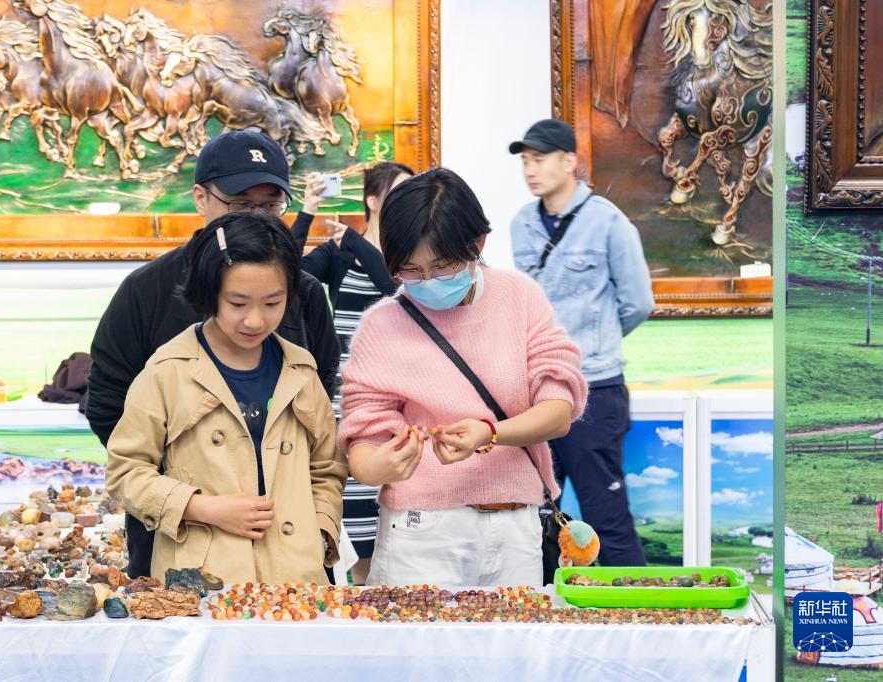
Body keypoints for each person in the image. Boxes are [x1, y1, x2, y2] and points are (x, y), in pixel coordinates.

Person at [87, 129, 341, 578]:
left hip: (292, 564)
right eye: (241, 204)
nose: (255, 321)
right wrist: (193, 489)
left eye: (271, 206)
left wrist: (319, 530)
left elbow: (323, 448)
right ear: (201, 198)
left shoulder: (301, 297)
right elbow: (111, 412)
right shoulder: (147, 294)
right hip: (190, 545)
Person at [338, 167, 588, 586]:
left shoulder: (520, 298)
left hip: (516, 531)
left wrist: (489, 433)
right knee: (415, 633)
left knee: (517, 632)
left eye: (443, 266)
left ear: (478, 243)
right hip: (421, 532)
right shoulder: (382, 325)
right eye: (410, 270)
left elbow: (558, 413)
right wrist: (380, 465)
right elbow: (363, 446)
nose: (427, 282)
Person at [508, 118, 654, 566]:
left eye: (540, 159)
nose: (530, 170)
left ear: (570, 161)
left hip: (594, 390)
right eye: (525, 161)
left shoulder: (609, 222)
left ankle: (630, 606)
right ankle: (542, 603)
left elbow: (638, 303)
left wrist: (592, 344)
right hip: (536, 392)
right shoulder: (521, 224)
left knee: (606, 517)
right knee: (534, 519)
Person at [293, 161, 414, 584]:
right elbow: (285, 275)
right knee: (354, 511)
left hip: (399, 400)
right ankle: (360, 597)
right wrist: (307, 210)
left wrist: (356, 243)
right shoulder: (340, 253)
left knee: (394, 504)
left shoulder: (411, 259)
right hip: (346, 399)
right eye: (398, 190)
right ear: (372, 200)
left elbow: (396, 289)